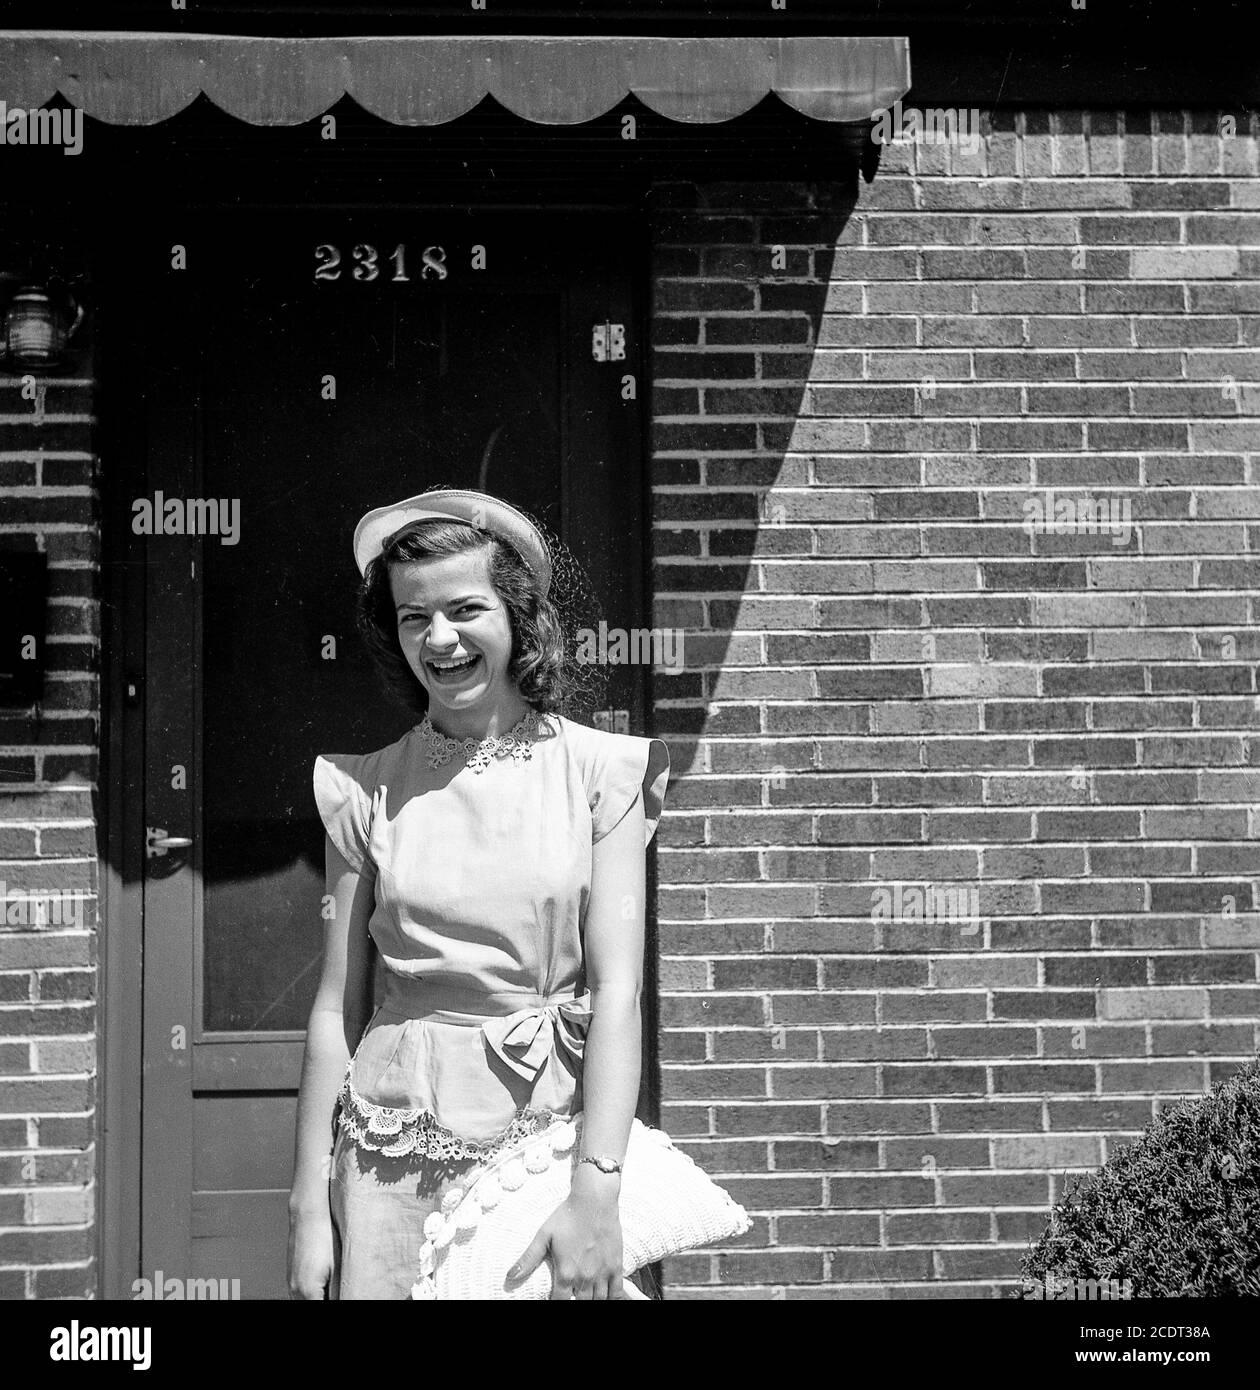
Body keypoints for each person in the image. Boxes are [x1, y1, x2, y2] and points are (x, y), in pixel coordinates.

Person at [286, 487, 670, 1300]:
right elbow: (334, 1009)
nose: (441, 638)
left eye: (466, 608)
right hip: (388, 1157)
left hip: (548, 1151)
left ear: (519, 616)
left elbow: (618, 992)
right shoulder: (364, 791)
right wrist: (308, 1211)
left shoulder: (603, 774)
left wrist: (596, 1192)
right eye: (413, 617)